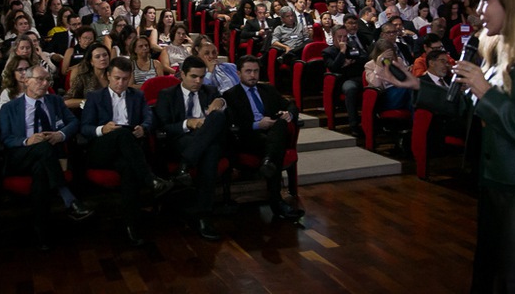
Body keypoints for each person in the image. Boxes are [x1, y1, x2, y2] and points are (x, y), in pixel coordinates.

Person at [372, 0, 515, 292]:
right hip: (499, 185)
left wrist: (485, 90)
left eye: (487, 0)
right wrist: (417, 86)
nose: (478, 10)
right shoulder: (499, 48)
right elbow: (464, 106)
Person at [80, 57, 173, 246]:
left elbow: (149, 118)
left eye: (124, 78)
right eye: (116, 78)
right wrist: (102, 129)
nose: (120, 83)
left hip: (127, 152)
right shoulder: (95, 97)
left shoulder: (136, 96)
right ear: (108, 76)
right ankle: (151, 179)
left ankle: (131, 227)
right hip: (102, 149)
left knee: (129, 169)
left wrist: (143, 128)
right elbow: (84, 128)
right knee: (121, 134)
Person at [0, 66, 94, 250]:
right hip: (21, 155)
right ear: (26, 80)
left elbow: (74, 122)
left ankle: (41, 232)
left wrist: (60, 134)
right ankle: (68, 197)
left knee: (40, 172)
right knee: (41, 147)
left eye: (47, 80)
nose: (45, 84)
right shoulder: (9, 108)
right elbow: (6, 139)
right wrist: (28, 140)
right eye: (40, 79)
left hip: (48, 157)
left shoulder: (55, 101)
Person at [154, 56, 228, 241]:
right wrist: (189, 123)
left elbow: (225, 116)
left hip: (204, 141)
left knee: (217, 121)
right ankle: (203, 216)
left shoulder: (210, 91)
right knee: (211, 150)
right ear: (182, 75)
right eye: (193, 76)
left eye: (202, 77)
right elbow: (163, 127)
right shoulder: (167, 94)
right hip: (181, 140)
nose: (198, 81)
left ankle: (184, 167)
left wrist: (221, 103)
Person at [222, 55, 305, 220]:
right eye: (248, 71)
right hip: (248, 137)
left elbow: (290, 104)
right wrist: (257, 125)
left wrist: (289, 113)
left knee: (280, 125)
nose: (253, 75)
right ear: (238, 73)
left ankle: (268, 161)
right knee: (276, 147)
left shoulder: (268, 89)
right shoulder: (230, 95)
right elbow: (232, 125)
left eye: (256, 71)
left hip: (272, 133)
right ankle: (277, 201)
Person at [323, 25, 369, 138]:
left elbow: (364, 59)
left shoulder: (353, 46)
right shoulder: (328, 52)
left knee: (376, 86)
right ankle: (354, 125)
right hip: (343, 80)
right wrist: (342, 52)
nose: (343, 40)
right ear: (333, 37)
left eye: (345, 37)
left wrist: (349, 63)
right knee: (351, 88)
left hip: (358, 77)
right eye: (340, 37)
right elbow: (333, 68)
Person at [64, 42, 110, 109]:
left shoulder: (115, 75)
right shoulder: (83, 78)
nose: (102, 58)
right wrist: (89, 102)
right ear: (91, 62)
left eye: (105, 55)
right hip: (91, 114)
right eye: (97, 57)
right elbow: (67, 101)